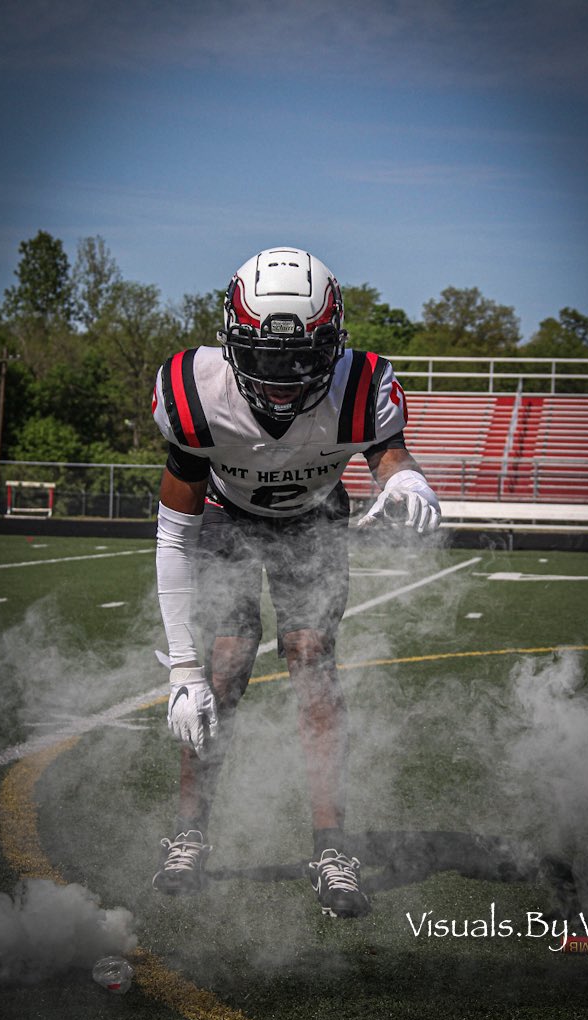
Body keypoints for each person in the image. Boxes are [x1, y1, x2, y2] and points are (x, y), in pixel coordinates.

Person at [151, 246, 440, 918]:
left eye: (299, 359)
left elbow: (386, 447)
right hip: (227, 515)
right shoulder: (197, 394)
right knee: (219, 671)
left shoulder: (360, 384)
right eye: (264, 356)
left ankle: (331, 847)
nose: (281, 380)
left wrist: (402, 475)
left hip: (312, 517)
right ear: (230, 339)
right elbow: (174, 532)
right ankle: (190, 832)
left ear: (333, 346)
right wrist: (180, 668)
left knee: (312, 662)